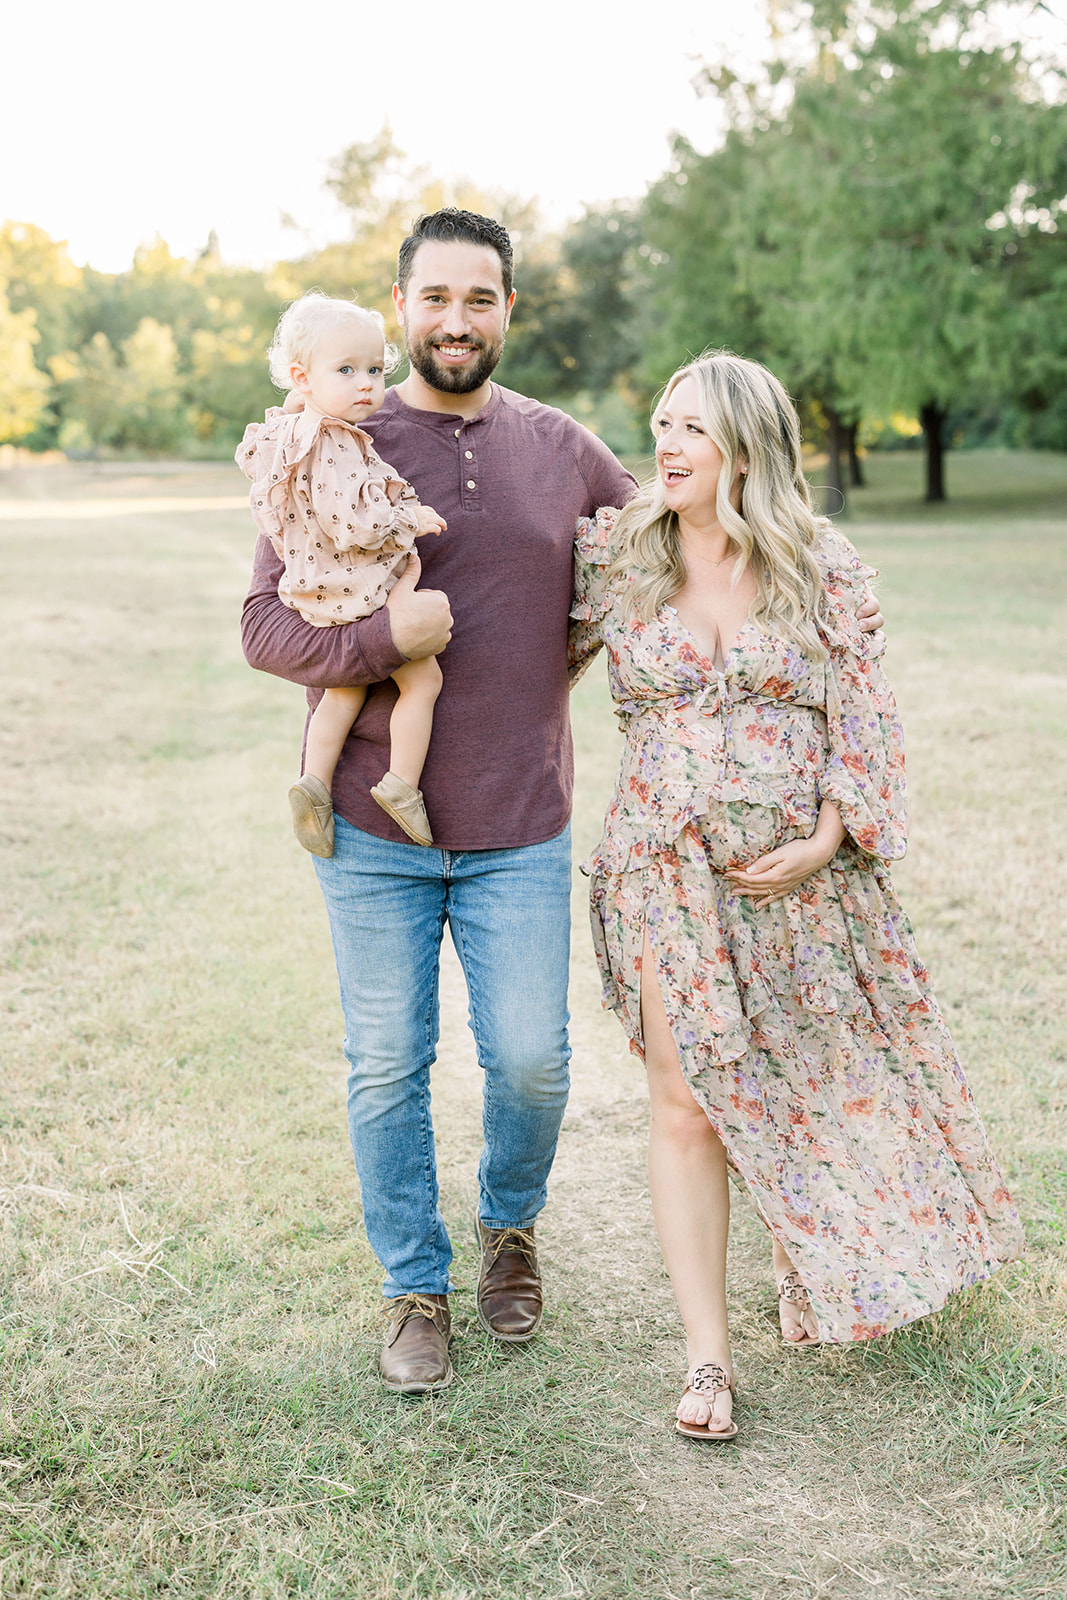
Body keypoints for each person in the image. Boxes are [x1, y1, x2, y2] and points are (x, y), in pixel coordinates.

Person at [569, 351, 1023, 1441]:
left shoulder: (819, 564)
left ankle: (838, 1260)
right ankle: (706, 1361)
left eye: (690, 428)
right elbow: (517, 660)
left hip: (800, 887)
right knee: (684, 1105)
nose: (664, 445)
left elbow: (864, 711)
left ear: (745, 446)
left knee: (821, 1078)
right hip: (664, 874)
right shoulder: (616, 557)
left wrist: (826, 835)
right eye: (659, 423)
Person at [242, 210, 637, 1393]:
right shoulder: (334, 436)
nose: (455, 320)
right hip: (371, 827)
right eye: (434, 298)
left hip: (521, 821)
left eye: (480, 298)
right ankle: (413, 1287)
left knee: (530, 1064)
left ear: (509, 309)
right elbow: (263, 625)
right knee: (385, 1066)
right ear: (401, 305)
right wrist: (382, 635)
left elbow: (663, 545)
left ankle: (508, 1230)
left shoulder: (563, 447)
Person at [236, 292, 447, 854]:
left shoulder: (293, 435)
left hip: (318, 589)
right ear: (302, 378)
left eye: (376, 369)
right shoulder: (332, 441)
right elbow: (355, 520)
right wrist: (409, 518)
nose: (366, 384)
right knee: (424, 681)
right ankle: (402, 784)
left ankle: (315, 782)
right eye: (347, 370)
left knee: (344, 694)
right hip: (358, 584)